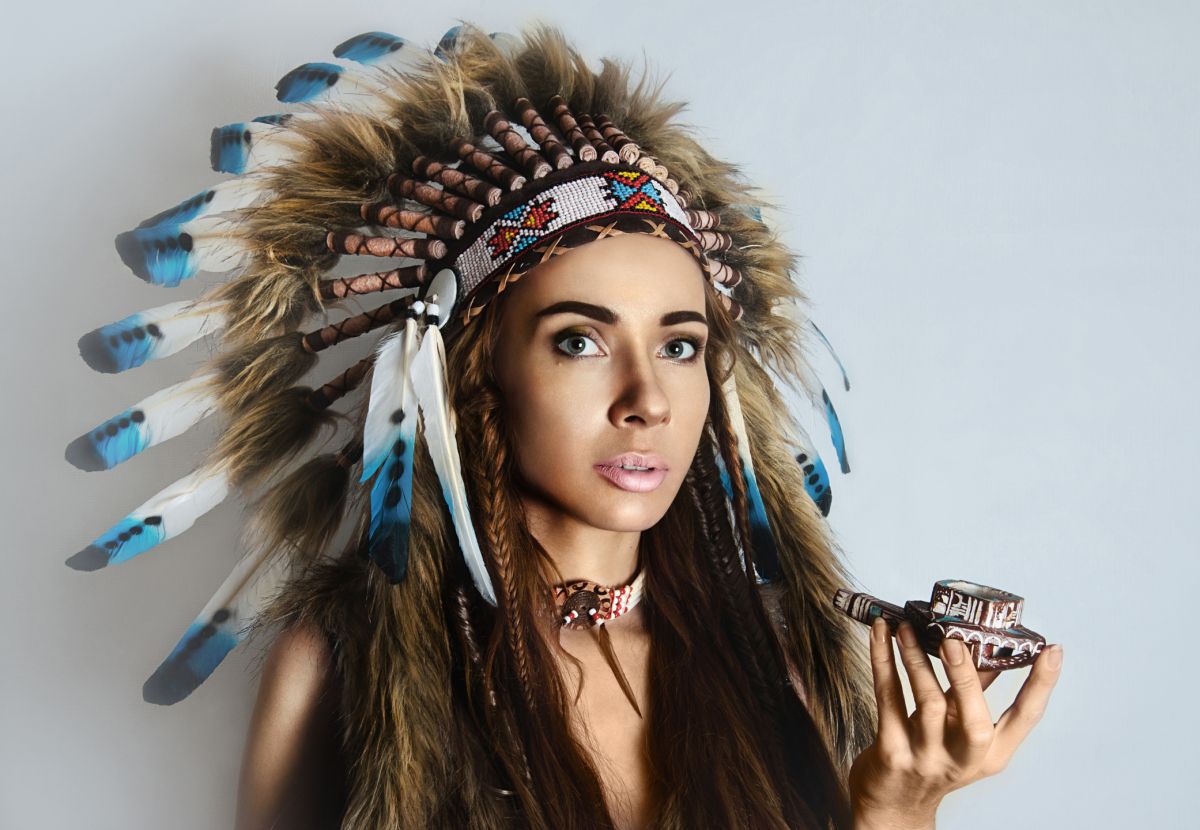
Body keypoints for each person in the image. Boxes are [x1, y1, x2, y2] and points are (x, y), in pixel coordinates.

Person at [66, 23, 1062, 830]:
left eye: (680, 345)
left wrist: (896, 807)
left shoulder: (770, 660)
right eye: (580, 340)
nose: (647, 399)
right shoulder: (339, 665)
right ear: (477, 370)